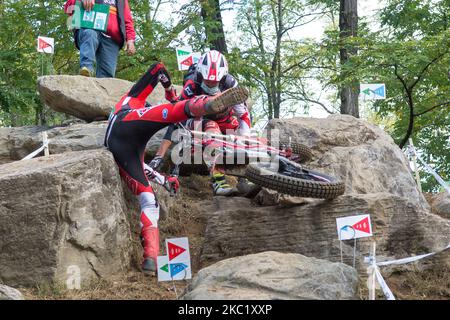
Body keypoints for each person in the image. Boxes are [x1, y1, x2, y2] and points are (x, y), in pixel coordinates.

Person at [104, 62, 248, 274]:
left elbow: (143, 168)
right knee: (173, 111)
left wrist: (163, 180)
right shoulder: (131, 100)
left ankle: (151, 259)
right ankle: (209, 104)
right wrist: (170, 90)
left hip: (122, 151)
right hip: (128, 120)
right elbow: (158, 68)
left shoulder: (126, 103)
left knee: (149, 200)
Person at [149, 50, 253, 196]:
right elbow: (176, 117)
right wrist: (159, 156)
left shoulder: (231, 84)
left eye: (215, 81)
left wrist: (244, 137)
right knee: (212, 128)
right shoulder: (192, 85)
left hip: (225, 119)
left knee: (240, 137)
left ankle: (245, 178)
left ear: (222, 77)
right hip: (199, 121)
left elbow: (244, 115)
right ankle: (218, 180)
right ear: (200, 74)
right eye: (207, 80)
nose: (211, 83)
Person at [64, 0, 136, 78]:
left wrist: (130, 39)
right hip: (89, 29)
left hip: (112, 38)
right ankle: (86, 69)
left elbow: (127, 20)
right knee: (90, 33)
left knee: (107, 77)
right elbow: (68, 7)